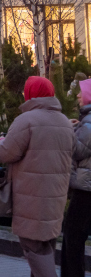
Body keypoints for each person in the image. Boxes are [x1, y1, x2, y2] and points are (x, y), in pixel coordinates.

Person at [0, 76, 74, 277]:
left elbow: (6, 153)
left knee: (34, 250)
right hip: (55, 198)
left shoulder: (26, 120)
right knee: (45, 247)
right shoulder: (64, 122)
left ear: (31, 94)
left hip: (32, 200)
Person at [63, 78, 91, 276]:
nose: (78, 95)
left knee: (72, 234)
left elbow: (78, 150)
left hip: (86, 189)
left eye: (82, 92)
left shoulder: (89, 122)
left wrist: (68, 129)